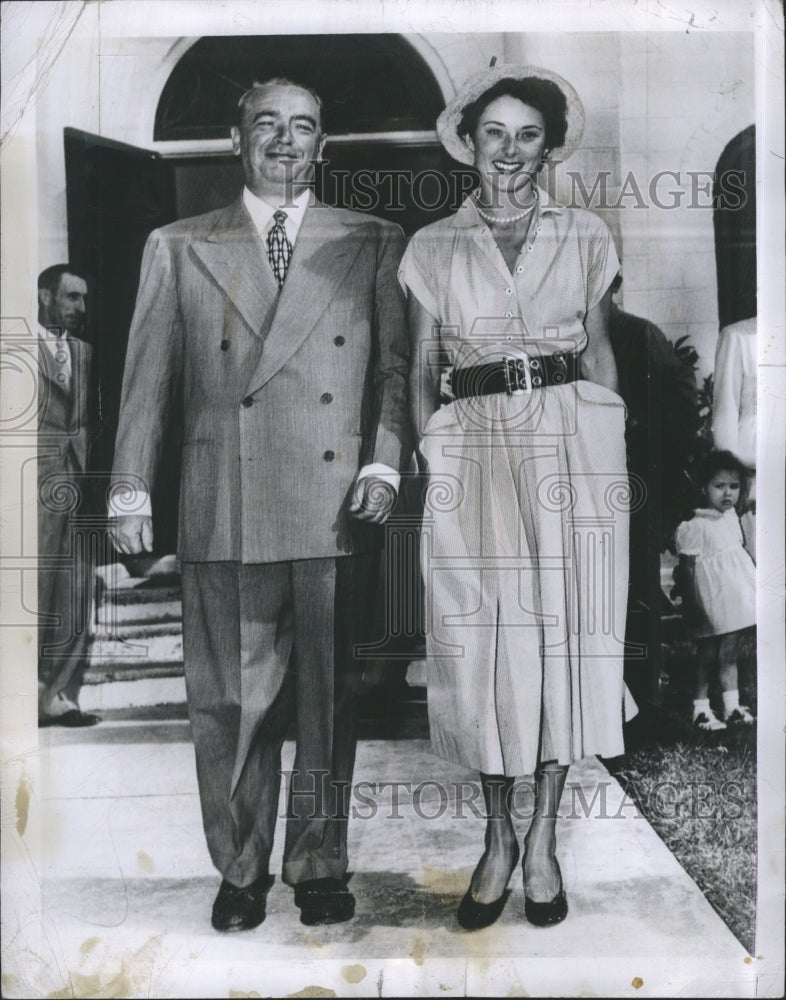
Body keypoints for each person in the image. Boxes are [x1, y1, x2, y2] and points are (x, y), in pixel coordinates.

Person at [109, 78, 410, 931]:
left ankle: (318, 861)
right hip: (223, 499)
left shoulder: (375, 240)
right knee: (229, 701)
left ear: (324, 146)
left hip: (334, 506)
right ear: (235, 140)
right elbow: (146, 388)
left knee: (326, 699)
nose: (286, 140)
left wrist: (385, 465)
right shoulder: (177, 243)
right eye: (268, 124)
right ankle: (240, 868)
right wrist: (130, 486)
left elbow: (394, 371)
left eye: (304, 126)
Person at [400, 65, 629, 930]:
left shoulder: (585, 234)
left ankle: (542, 843)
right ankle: (495, 837)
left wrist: (609, 445)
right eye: (493, 132)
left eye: (527, 134)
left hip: (573, 444)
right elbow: (422, 366)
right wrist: (435, 449)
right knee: (484, 641)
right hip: (473, 447)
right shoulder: (432, 245)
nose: (510, 151)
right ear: (469, 140)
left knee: (565, 641)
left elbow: (600, 350)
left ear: (550, 144)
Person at [37, 264, 99, 727]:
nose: (80, 308)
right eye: (71, 297)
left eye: (83, 299)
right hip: (31, 491)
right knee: (33, 589)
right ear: (45, 297)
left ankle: (59, 695)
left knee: (77, 591)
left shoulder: (84, 352)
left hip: (76, 489)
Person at [674, 450, 756, 731]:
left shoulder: (731, 517)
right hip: (710, 600)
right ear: (703, 487)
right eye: (719, 486)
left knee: (730, 652)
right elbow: (687, 569)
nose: (727, 494)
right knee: (707, 654)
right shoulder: (695, 527)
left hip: (732, 599)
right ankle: (700, 709)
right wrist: (692, 604)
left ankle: (732, 706)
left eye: (733, 486)